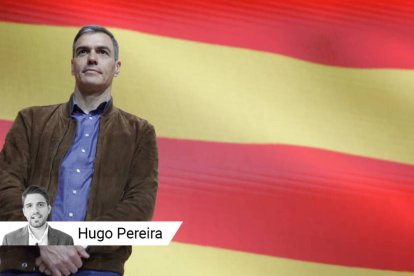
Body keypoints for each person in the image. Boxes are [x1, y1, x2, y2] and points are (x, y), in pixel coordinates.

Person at [0, 25, 158, 275]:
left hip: (97, 266)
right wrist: (44, 239)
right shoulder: (30, 120)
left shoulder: (140, 132)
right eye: (83, 51)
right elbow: (6, 187)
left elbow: (140, 204)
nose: (92, 57)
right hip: (26, 262)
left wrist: (74, 244)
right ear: (72, 65)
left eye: (102, 52)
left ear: (117, 67)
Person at [2, 185, 73, 246]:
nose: (35, 211)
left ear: (48, 209)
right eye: (29, 206)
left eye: (40, 205)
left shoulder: (66, 240)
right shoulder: (9, 240)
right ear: (24, 211)